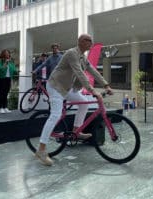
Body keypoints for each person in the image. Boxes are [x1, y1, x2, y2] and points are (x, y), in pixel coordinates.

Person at [35, 34, 113, 166]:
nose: (91, 43)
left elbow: (93, 71)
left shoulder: (83, 57)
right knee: (56, 115)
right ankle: (41, 149)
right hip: (55, 86)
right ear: (81, 42)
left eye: (91, 41)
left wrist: (106, 85)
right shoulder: (72, 53)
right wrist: (92, 90)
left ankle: (77, 130)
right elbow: (79, 73)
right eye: (88, 41)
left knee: (84, 104)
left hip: (67, 88)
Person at [0, 49, 18, 113]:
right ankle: (1, 107)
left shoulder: (11, 62)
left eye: (8, 53)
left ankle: (5, 107)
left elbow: (14, 69)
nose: (8, 54)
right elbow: (0, 69)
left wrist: (17, 70)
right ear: (3, 54)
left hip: (8, 78)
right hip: (1, 78)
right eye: (6, 53)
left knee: (6, 93)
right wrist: (5, 63)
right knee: (2, 93)